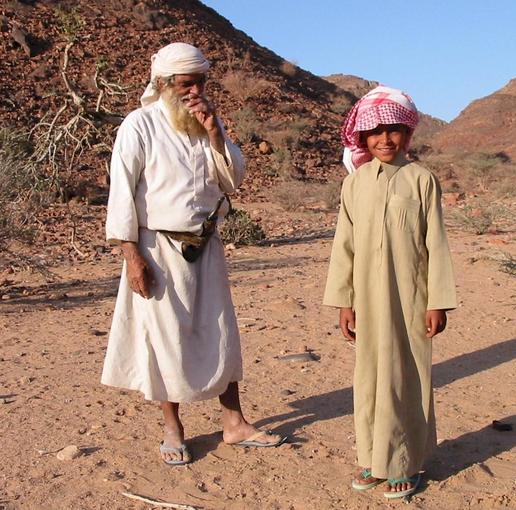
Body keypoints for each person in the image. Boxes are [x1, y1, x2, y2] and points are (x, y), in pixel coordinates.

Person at [101, 42, 284, 466]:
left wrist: (216, 133)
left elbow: (233, 180)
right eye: (186, 83)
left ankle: (234, 423)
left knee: (222, 331)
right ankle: (173, 429)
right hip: (157, 248)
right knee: (167, 339)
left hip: (206, 244)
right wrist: (132, 256)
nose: (195, 90)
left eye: (200, 81)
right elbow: (121, 195)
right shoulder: (139, 125)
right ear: (163, 84)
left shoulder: (205, 123)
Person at [323, 86, 457, 499]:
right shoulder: (355, 184)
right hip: (365, 297)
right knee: (368, 378)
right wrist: (344, 301)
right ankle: (372, 458)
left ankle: (405, 463)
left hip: (410, 297)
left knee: (405, 376)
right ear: (362, 137)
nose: (384, 139)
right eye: (374, 131)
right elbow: (343, 244)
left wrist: (437, 300)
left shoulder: (421, 180)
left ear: (408, 134)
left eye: (393, 130)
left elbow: (435, 242)